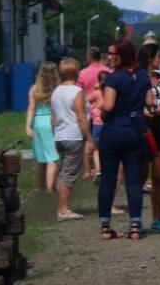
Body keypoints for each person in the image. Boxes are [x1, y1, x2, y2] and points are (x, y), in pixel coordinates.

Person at [97, 39, 153, 240]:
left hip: (112, 132)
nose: (110, 57)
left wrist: (98, 103)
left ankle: (105, 226)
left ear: (123, 55)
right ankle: (135, 226)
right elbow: (149, 102)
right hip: (134, 133)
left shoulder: (113, 78)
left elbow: (109, 106)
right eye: (108, 53)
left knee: (108, 181)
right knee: (133, 181)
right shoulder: (143, 76)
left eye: (113, 54)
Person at [51, 58, 94, 220]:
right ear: (76, 73)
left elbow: (53, 117)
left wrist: (56, 131)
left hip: (60, 135)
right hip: (73, 135)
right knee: (68, 174)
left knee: (63, 170)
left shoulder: (56, 92)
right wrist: (89, 137)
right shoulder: (76, 92)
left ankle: (62, 207)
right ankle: (63, 209)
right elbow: (81, 117)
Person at [138, 43, 160, 233]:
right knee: (140, 177)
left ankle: (157, 218)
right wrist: (143, 112)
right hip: (143, 129)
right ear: (150, 58)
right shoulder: (137, 77)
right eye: (158, 56)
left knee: (159, 177)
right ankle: (136, 219)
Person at [26, 62, 60, 192]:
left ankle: (41, 188)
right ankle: (50, 188)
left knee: (40, 158)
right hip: (51, 121)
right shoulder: (57, 89)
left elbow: (31, 108)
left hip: (38, 123)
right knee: (52, 157)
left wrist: (28, 126)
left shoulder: (34, 89)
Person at [77, 48, 108, 179]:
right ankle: (102, 167)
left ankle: (87, 170)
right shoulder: (108, 71)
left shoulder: (82, 73)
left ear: (89, 57)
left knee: (88, 141)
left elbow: (77, 92)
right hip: (105, 112)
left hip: (88, 111)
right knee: (104, 142)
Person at [86, 70, 108, 180]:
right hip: (107, 122)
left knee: (96, 148)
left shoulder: (96, 93)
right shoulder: (109, 92)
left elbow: (87, 100)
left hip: (97, 123)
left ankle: (98, 169)